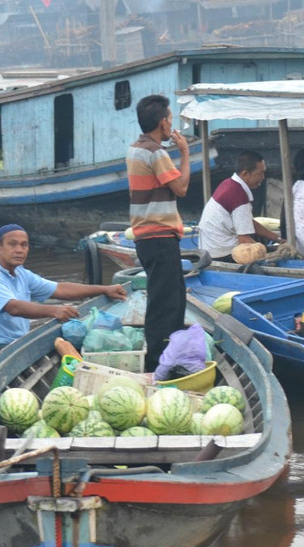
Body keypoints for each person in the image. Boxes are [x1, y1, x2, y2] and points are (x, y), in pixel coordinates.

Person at [0, 225, 126, 370]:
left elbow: (61, 289)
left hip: (14, 345)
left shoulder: (22, 274)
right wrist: (54, 310)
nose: (19, 250)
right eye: (13, 244)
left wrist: (104, 289)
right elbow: (13, 307)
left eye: (24, 245)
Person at [126, 93, 190, 373]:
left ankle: (167, 357)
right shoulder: (156, 152)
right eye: (170, 119)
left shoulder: (135, 148)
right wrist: (185, 153)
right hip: (159, 236)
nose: (171, 125)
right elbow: (181, 188)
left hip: (147, 236)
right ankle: (159, 364)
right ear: (162, 123)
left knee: (169, 299)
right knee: (168, 303)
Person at [198, 150, 283, 263]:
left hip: (209, 249)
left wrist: (279, 239)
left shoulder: (229, 183)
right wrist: (269, 256)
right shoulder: (238, 194)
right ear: (245, 174)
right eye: (260, 173)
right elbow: (244, 240)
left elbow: (248, 222)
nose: (263, 177)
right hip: (223, 253)